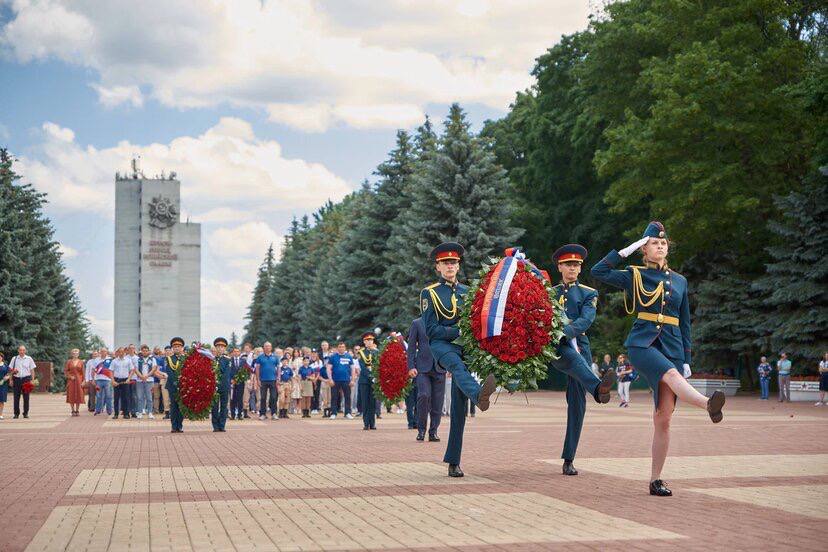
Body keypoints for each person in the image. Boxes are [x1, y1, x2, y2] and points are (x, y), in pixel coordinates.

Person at [591, 221, 725, 496]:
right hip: (642, 344)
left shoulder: (680, 280)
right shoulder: (635, 274)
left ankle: (655, 480)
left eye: (663, 243)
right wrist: (627, 251)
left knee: (663, 419)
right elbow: (598, 271)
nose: (660, 246)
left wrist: (686, 356)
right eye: (654, 243)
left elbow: (685, 322)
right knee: (672, 376)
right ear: (645, 249)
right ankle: (708, 404)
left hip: (673, 347)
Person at [421, 242, 497, 478]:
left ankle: (453, 461)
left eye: (453, 262)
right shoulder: (430, 293)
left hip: (465, 347)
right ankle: (479, 396)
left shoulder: (467, 292)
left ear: (458, 265)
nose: (450, 266)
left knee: (457, 408)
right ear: (438, 267)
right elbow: (431, 330)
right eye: (445, 263)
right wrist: (459, 333)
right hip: (442, 347)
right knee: (455, 365)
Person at [548, 244, 616, 476]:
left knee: (577, 405)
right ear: (560, 267)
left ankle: (569, 458)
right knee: (570, 357)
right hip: (556, 347)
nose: (573, 269)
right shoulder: (550, 293)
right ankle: (597, 388)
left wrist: (565, 332)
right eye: (568, 265)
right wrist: (558, 336)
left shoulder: (588, 293)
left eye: (576, 265)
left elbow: (587, 320)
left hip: (579, 345)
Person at [408, 317, 444, 442]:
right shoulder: (417, 323)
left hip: (440, 367)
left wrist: (450, 365)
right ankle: (421, 430)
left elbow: (448, 344)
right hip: (422, 368)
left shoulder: (443, 321)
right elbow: (411, 346)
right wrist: (411, 366)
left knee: (437, 402)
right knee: (423, 395)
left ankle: (433, 432)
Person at [357, 332, 380, 430]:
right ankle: (366, 423)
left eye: (371, 340)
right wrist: (372, 377)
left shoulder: (376, 352)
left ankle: (373, 423)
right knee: (365, 402)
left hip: (374, 381)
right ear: (364, 342)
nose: (370, 342)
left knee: (373, 402)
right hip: (364, 381)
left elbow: (379, 365)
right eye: (368, 340)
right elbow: (363, 367)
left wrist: (377, 377)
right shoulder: (361, 352)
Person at [326, 342, 355, 419]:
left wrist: (352, 380)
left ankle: (348, 413)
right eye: (340, 347)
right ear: (337, 348)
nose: (341, 348)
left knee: (347, 397)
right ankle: (333, 413)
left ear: (345, 348)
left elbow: (353, 369)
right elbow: (328, 369)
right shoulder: (333, 357)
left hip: (346, 380)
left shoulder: (349, 356)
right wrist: (330, 379)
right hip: (335, 380)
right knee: (334, 397)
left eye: (343, 347)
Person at [9, 345, 36, 419]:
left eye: (23, 350)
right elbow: (11, 370)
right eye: (20, 350)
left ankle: (25, 413)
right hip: (16, 379)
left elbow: (32, 370)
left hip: (26, 379)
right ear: (18, 350)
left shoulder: (29, 358)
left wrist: (32, 380)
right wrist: (11, 380)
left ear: (25, 351)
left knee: (26, 397)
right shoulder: (14, 359)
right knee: (16, 398)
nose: (22, 351)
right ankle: (16, 414)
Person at [166, 337, 186, 433]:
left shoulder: (185, 359)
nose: (177, 348)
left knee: (181, 407)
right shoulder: (169, 359)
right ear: (172, 348)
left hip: (183, 386)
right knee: (173, 407)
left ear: (182, 348)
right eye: (175, 347)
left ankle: (180, 426)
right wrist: (176, 382)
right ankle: (174, 426)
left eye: (179, 346)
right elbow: (169, 372)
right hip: (172, 386)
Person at [254, 342, 279, 420]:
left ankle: (274, 413)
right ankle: (263, 414)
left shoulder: (275, 357)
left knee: (273, 397)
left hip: (273, 380)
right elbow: (257, 369)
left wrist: (278, 378)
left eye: (269, 346)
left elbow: (278, 368)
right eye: (266, 346)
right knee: (263, 398)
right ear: (264, 348)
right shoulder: (260, 357)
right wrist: (258, 379)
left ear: (271, 347)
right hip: (263, 380)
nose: (268, 348)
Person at [211, 337, 232, 432]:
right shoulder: (211, 359)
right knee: (214, 407)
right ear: (215, 348)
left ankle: (222, 425)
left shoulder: (227, 360)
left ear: (225, 349)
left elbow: (225, 372)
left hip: (224, 386)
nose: (220, 348)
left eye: (222, 347)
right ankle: (215, 426)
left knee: (224, 406)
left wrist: (221, 359)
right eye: (218, 346)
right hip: (214, 386)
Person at [134, 345, 157, 419]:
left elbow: (154, 369)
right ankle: (140, 412)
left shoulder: (152, 359)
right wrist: (141, 376)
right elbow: (136, 369)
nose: (145, 352)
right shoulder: (138, 359)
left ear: (149, 351)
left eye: (146, 350)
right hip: (139, 381)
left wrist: (146, 376)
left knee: (149, 397)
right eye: (143, 350)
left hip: (149, 380)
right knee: (139, 397)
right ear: (141, 351)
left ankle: (150, 412)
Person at [111, 347, 134, 419]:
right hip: (116, 380)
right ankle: (116, 414)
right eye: (119, 352)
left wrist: (129, 379)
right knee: (116, 398)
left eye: (122, 352)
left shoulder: (128, 360)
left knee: (126, 398)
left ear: (124, 352)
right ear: (117, 353)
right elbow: (111, 371)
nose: (121, 353)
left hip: (125, 380)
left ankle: (126, 414)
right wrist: (113, 381)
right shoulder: (114, 361)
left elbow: (132, 370)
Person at [93, 347, 114, 416]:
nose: (103, 353)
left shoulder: (110, 360)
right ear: (100, 352)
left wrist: (112, 379)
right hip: (98, 380)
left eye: (104, 351)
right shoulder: (96, 360)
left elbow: (112, 370)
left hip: (108, 380)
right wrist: (93, 379)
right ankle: (98, 410)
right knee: (99, 396)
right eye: (102, 351)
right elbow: (93, 370)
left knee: (109, 396)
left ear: (107, 352)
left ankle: (109, 410)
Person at [64, 348, 85, 416]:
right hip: (71, 381)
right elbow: (66, 371)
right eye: (74, 353)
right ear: (72, 354)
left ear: (78, 354)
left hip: (79, 380)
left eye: (76, 353)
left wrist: (84, 381)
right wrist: (70, 376)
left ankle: (77, 410)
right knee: (71, 394)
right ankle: (72, 410)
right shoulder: (69, 362)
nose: (75, 354)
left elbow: (83, 372)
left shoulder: (81, 362)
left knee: (79, 394)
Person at [228, 347, 246, 420]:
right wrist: (230, 379)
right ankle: (232, 415)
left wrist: (243, 378)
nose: (236, 353)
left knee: (240, 399)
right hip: (232, 383)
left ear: (240, 352)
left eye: (237, 351)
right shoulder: (229, 361)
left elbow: (246, 371)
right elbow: (228, 371)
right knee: (232, 399)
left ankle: (239, 414)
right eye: (234, 351)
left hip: (240, 383)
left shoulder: (243, 361)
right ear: (232, 353)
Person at [0, 353, 9, 419]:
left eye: (0, 357)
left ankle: (0, 414)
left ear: (2, 358)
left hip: (3, 385)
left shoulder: (5, 365)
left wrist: (7, 377)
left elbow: (8, 374)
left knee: (2, 400)